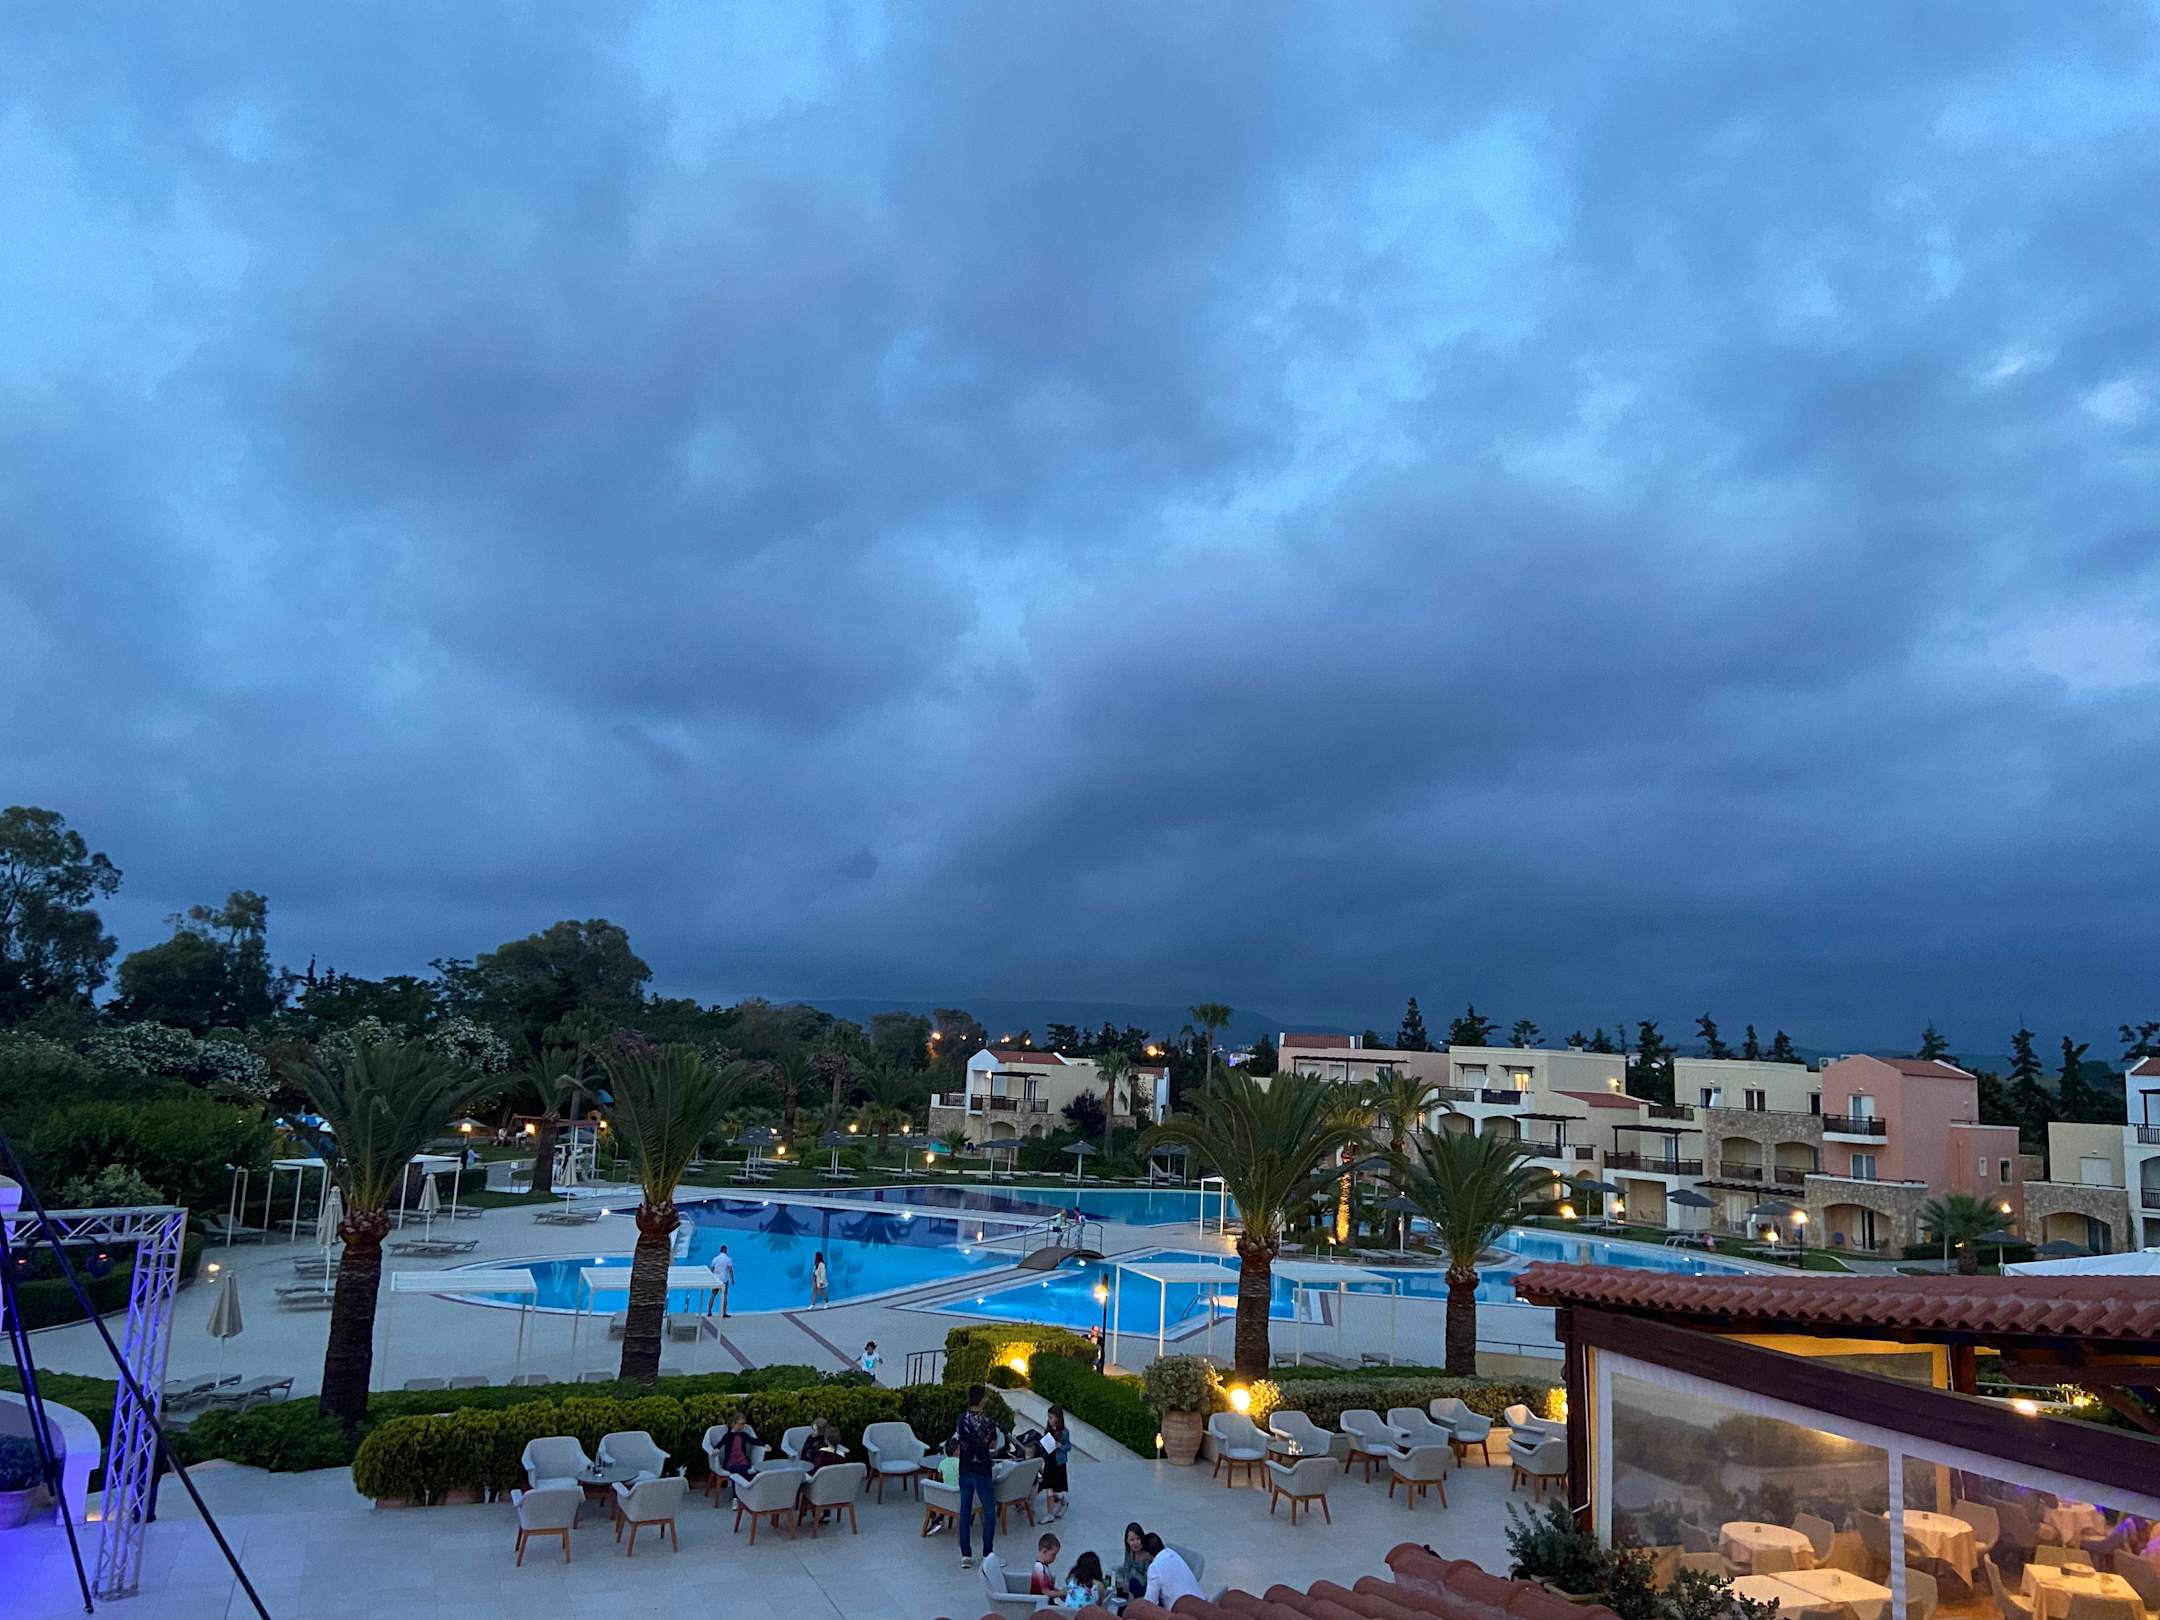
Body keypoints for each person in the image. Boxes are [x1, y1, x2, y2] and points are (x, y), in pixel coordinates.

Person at [954, 1382, 999, 1570]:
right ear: (982, 1400)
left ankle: (966, 1555)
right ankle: (987, 1553)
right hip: (982, 1470)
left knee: (965, 1511)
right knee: (989, 1512)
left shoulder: (961, 1419)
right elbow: (993, 1444)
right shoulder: (988, 1422)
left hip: (965, 1469)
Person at [1141, 1534, 1202, 1609]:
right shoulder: (1171, 1552)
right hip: (1200, 1601)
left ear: (1147, 1553)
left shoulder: (1154, 1568)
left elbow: (1150, 1603)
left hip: (1183, 1609)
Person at [1037, 1404, 1071, 1519]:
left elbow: (1068, 1446)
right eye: (1049, 1417)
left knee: (1057, 1490)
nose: (1049, 1420)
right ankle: (1050, 1514)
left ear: (1058, 1418)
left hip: (1058, 1463)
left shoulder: (1064, 1432)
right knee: (1049, 1489)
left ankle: (1063, 1502)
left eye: (1051, 1417)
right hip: (1049, 1461)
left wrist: (1060, 1446)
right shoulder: (1048, 1430)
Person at [712, 1409, 760, 1486]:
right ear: (734, 1424)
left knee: (746, 1469)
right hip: (731, 1463)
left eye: (744, 1424)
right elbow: (719, 1445)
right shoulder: (728, 1436)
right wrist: (716, 1450)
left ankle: (747, 1488)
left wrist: (765, 1444)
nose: (743, 1426)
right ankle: (738, 1492)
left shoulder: (743, 1435)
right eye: (741, 1424)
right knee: (737, 1471)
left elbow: (753, 1440)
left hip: (743, 1461)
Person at [1115, 1522, 1151, 1600]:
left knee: (1133, 1581)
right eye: (1132, 1540)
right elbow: (1126, 1567)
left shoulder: (1146, 1554)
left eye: (1138, 1539)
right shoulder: (1129, 1550)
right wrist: (1125, 1583)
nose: (1135, 1543)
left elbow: (1147, 1579)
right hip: (1133, 1581)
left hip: (1145, 1585)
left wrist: (1133, 1573)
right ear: (1127, 1541)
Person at [706, 1243, 734, 1317]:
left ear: (720, 1250)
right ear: (726, 1251)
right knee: (724, 1296)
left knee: (713, 1295)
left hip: (716, 1279)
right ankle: (724, 1313)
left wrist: (710, 1278)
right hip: (724, 1280)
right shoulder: (728, 1259)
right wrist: (732, 1279)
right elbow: (730, 1270)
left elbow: (711, 1269)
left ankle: (709, 1311)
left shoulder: (715, 1259)